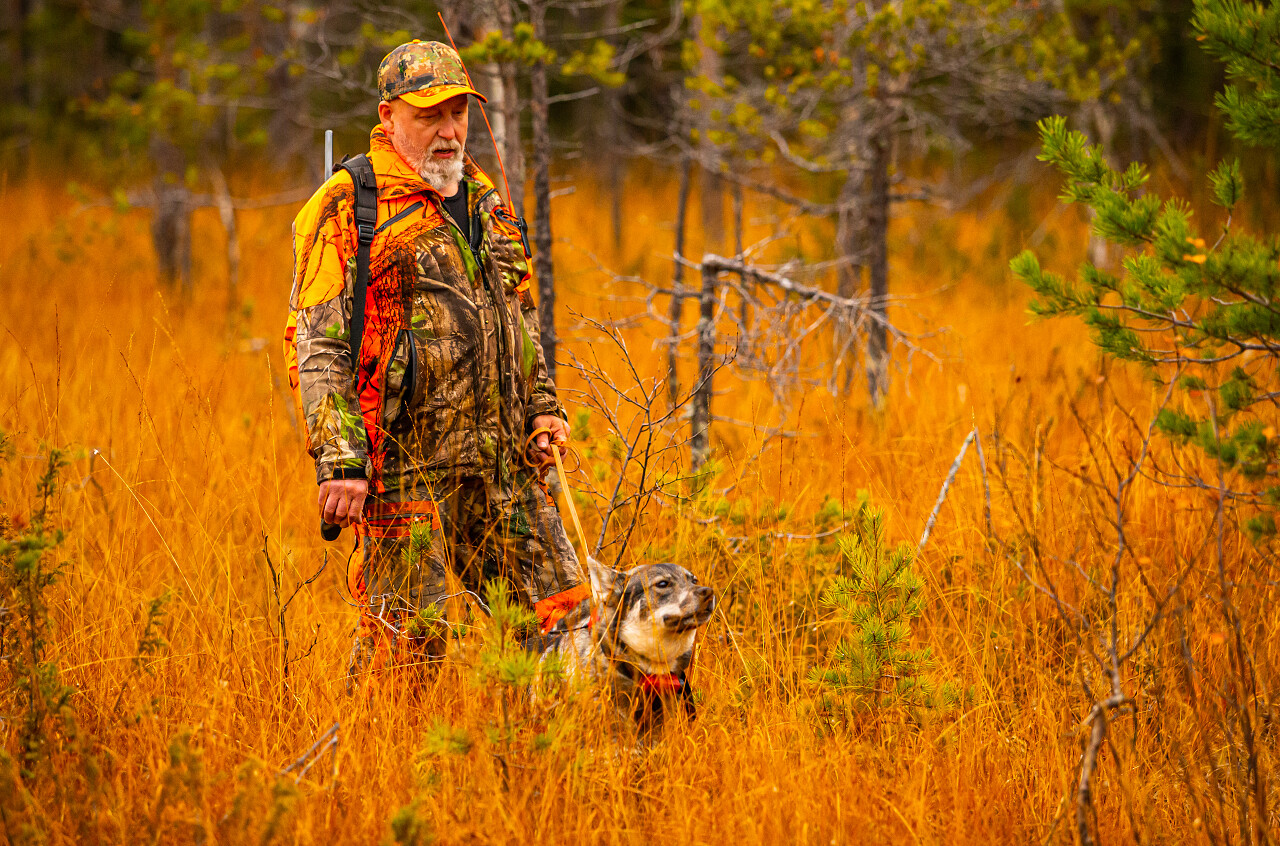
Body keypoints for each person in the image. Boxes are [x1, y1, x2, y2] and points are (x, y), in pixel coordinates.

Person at [284, 40, 587, 686]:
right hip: (403, 472)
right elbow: (317, 342)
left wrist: (542, 409)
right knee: (409, 655)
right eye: (429, 115)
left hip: (501, 463)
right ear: (387, 116)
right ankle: (375, 776)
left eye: (458, 113)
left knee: (561, 626)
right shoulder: (347, 207)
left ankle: (540, 772)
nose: (449, 131)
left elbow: (519, 317)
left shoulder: (483, 199)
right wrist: (340, 462)